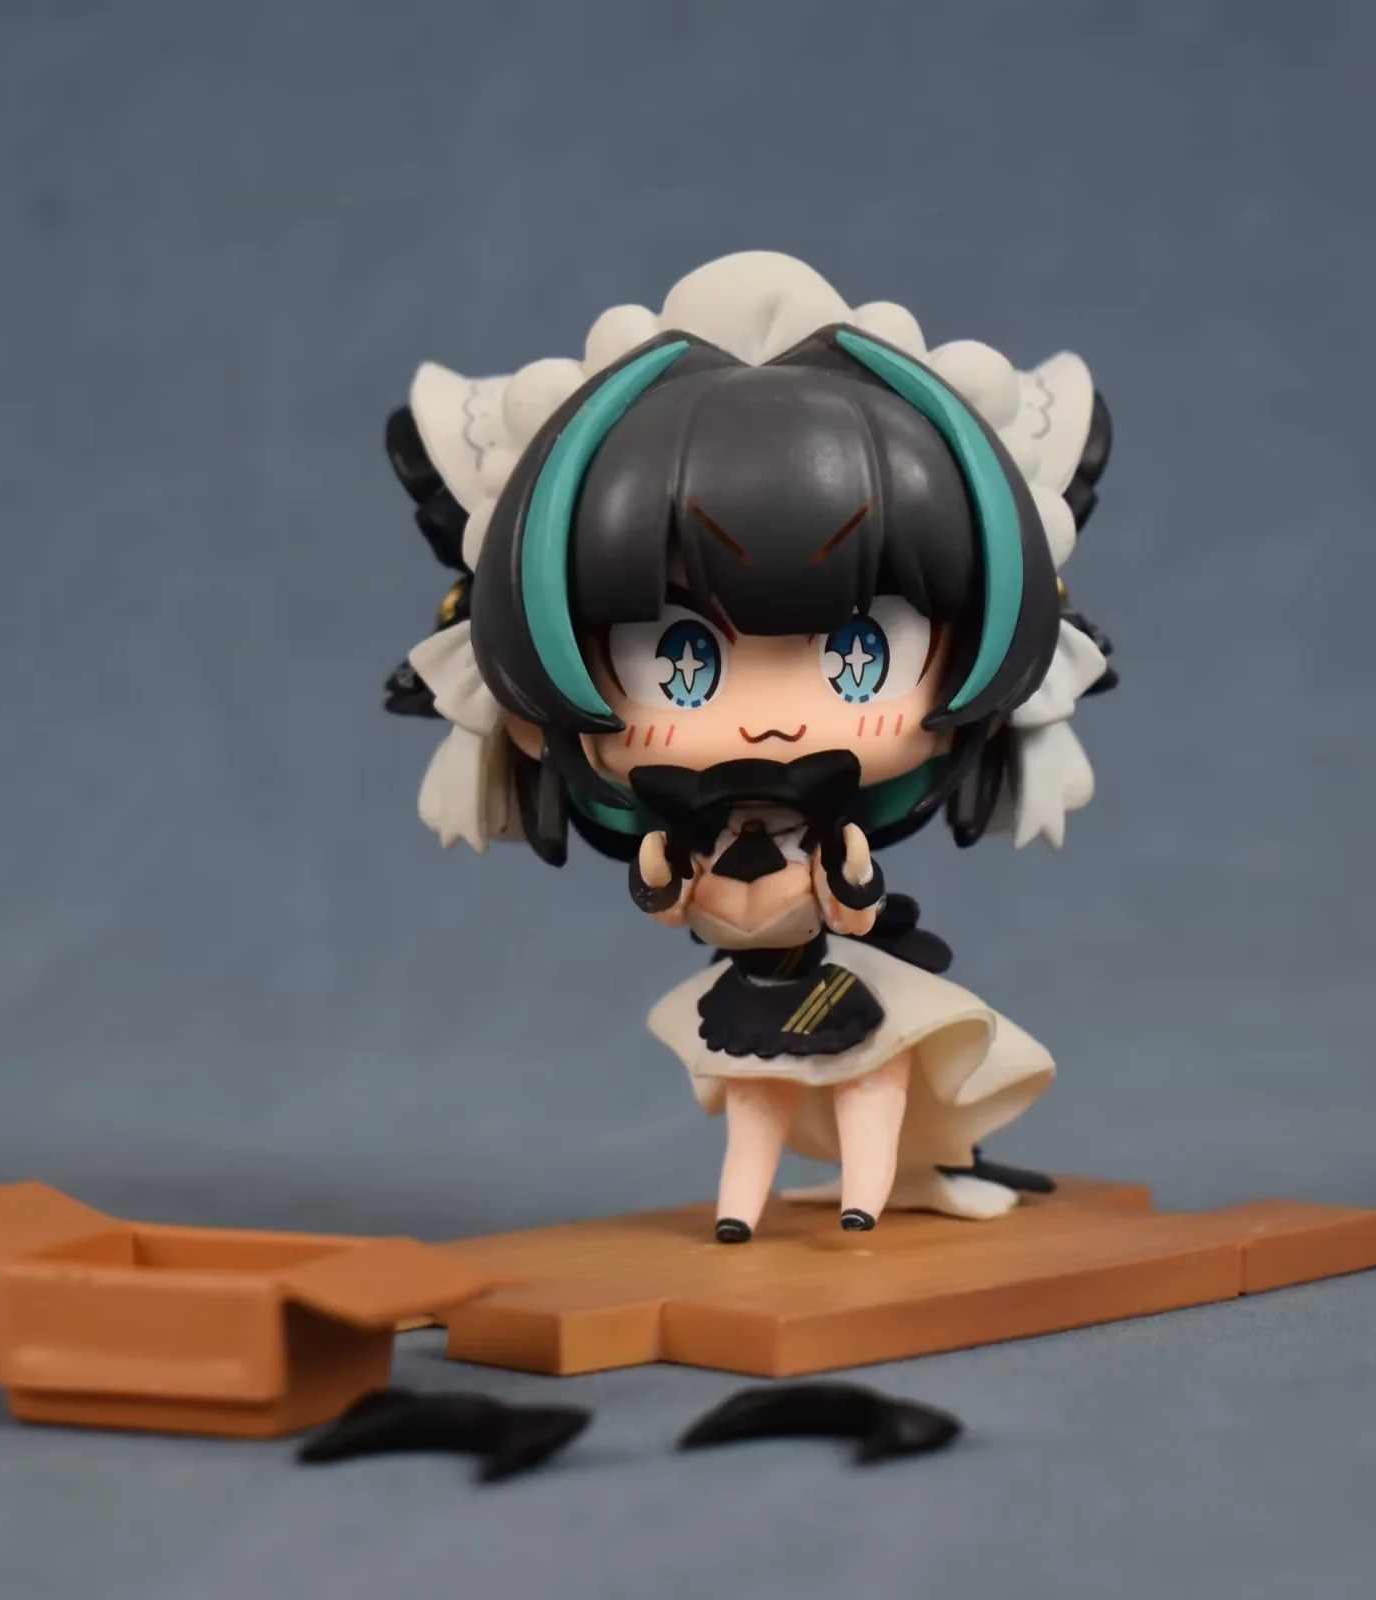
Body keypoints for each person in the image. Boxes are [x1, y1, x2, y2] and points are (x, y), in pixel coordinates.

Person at [382, 253, 1117, 1242]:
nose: (774, 721)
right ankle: (742, 1210)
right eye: (677, 658)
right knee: (753, 1099)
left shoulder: (834, 827)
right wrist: (662, 874)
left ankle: (868, 1193)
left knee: (865, 1076)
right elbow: (668, 905)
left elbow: (856, 910)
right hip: (755, 988)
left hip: (837, 976)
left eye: (861, 655)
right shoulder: (685, 833)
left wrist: (845, 878)